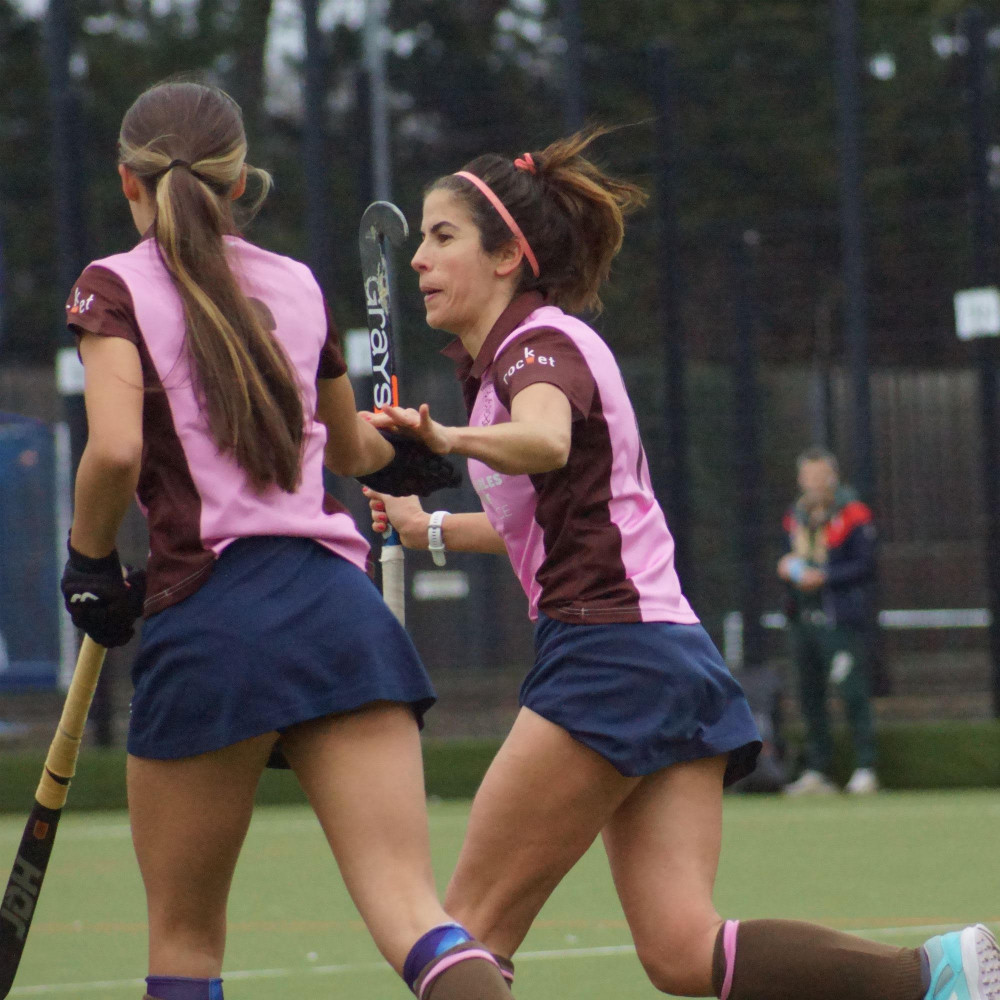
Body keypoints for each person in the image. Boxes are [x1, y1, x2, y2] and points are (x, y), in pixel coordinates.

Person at [363, 130, 1000, 1000]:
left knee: (463, 935)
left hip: (607, 657)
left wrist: (447, 438)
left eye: (442, 237)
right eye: (420, 241)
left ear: (509, 253)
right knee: (679, 950)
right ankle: (935, 975)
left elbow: (545, 442)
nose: (421, 261)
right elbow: (539, 521)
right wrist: (424, 523)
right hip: (667, 654)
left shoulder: (533, 351)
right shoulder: (507, 365)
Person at [58, 80, 513, 1000]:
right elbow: (353, 451)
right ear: (237, 185)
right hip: (341, 617)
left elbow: (114, 448)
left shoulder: (113, 287)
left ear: (127, 182)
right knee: (418, 918)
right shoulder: (297, 284)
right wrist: (412, 453)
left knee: (185, 942)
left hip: (215, 621)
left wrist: (90, 562)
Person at [778, 447, 880, 796]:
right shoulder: (796, 515)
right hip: (801, 618)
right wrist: (787, 568)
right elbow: (790, 557)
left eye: (820, 475)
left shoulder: (853, 514)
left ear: (832, 476)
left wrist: (825, 577)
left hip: (839, 619)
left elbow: (866, 567)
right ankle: (818, 769)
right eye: (808, 476)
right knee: (809, 695)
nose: (814, 482)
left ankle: (866, 767)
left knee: (851, 691)